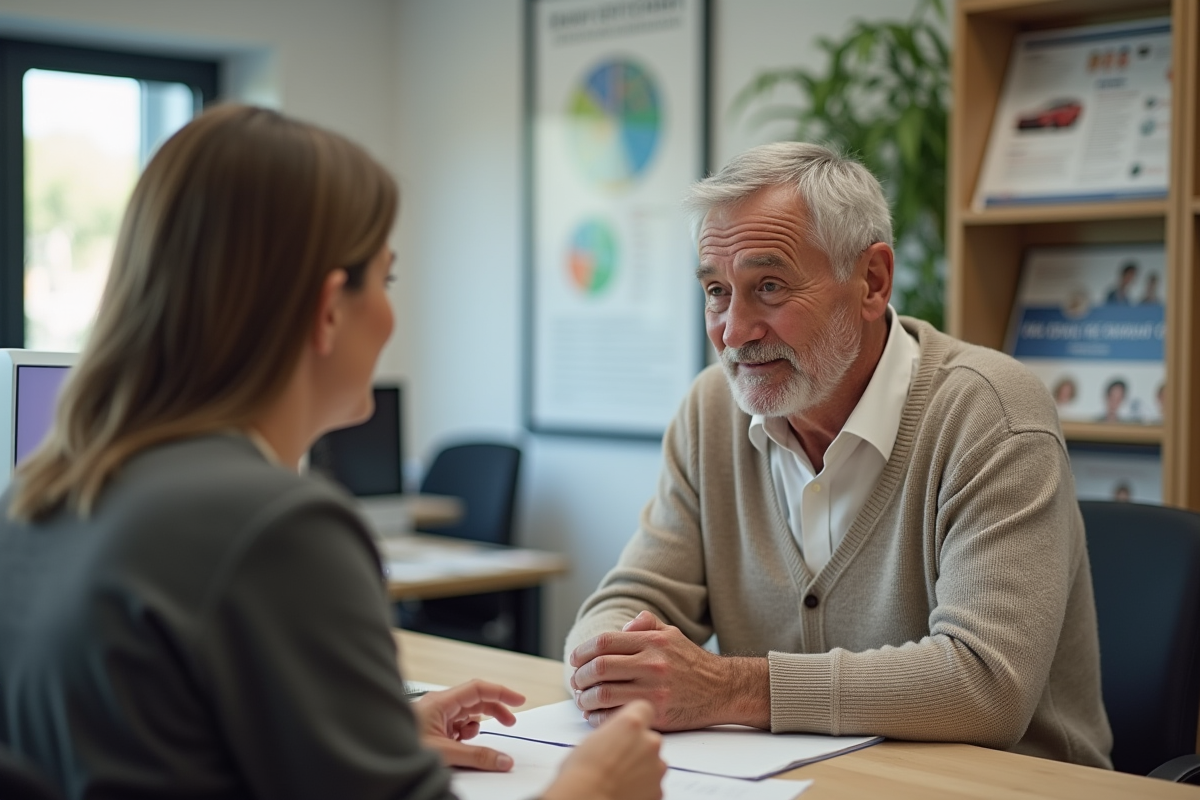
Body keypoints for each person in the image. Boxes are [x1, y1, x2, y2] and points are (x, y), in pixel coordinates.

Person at [0, 105, 665, 800]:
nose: (389, 314)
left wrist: (369, 738)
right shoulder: (276, 526)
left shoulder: (31, 500)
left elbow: (156, 746)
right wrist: (591, 787)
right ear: (327, 308)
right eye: (386, 279)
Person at [564, 142, 1112, 769]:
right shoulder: (711, 409)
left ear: (872, 281)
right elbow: (629, 599)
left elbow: (985, 684)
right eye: (717, 291)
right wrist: (604, 664)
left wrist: (729, 689)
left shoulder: (989, 412)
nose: (734, 331)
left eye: (768, 287)